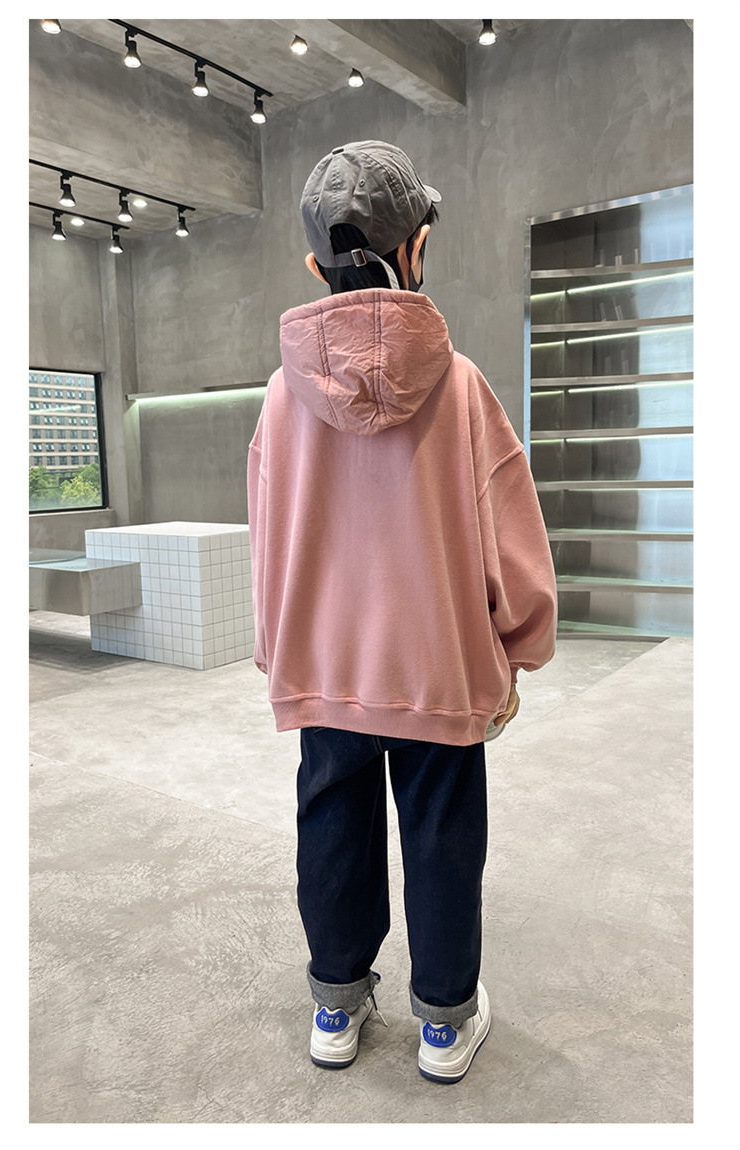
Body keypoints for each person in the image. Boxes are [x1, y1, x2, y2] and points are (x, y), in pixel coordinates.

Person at [247, 140, 557, 1083]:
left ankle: (336, 1006)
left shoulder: (280, 397)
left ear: (316, 269)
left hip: (325, 661)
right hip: (439, 664)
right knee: (442, 841)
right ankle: (443, 1026)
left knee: (331, 830)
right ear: (417, 247)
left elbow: (268, 537)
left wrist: (276, 651)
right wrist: (520, 645)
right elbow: (509, 531)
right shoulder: (460, 388)